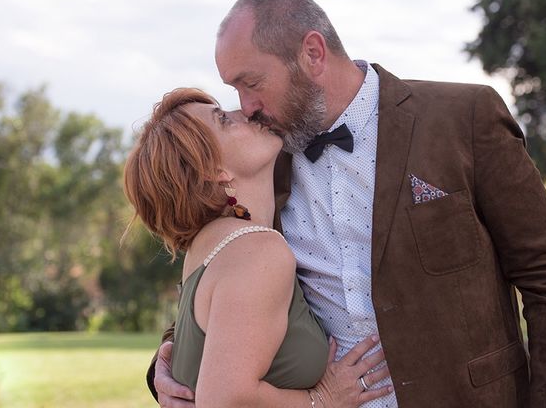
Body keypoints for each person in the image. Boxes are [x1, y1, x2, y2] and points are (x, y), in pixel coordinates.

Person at [150, 0, 546, 407]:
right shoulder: (261, 165)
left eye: (252, 83)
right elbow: (228, 288)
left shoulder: (463, 117)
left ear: (312, 53)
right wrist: (166, 366)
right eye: (235, 89)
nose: (247, 106)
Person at [124, 87, 393, 407]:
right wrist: (323, 399)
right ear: (214, 172)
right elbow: (224, 401)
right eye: (224, 119)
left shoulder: (211, 246)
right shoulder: (258, 251)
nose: (245, 112)